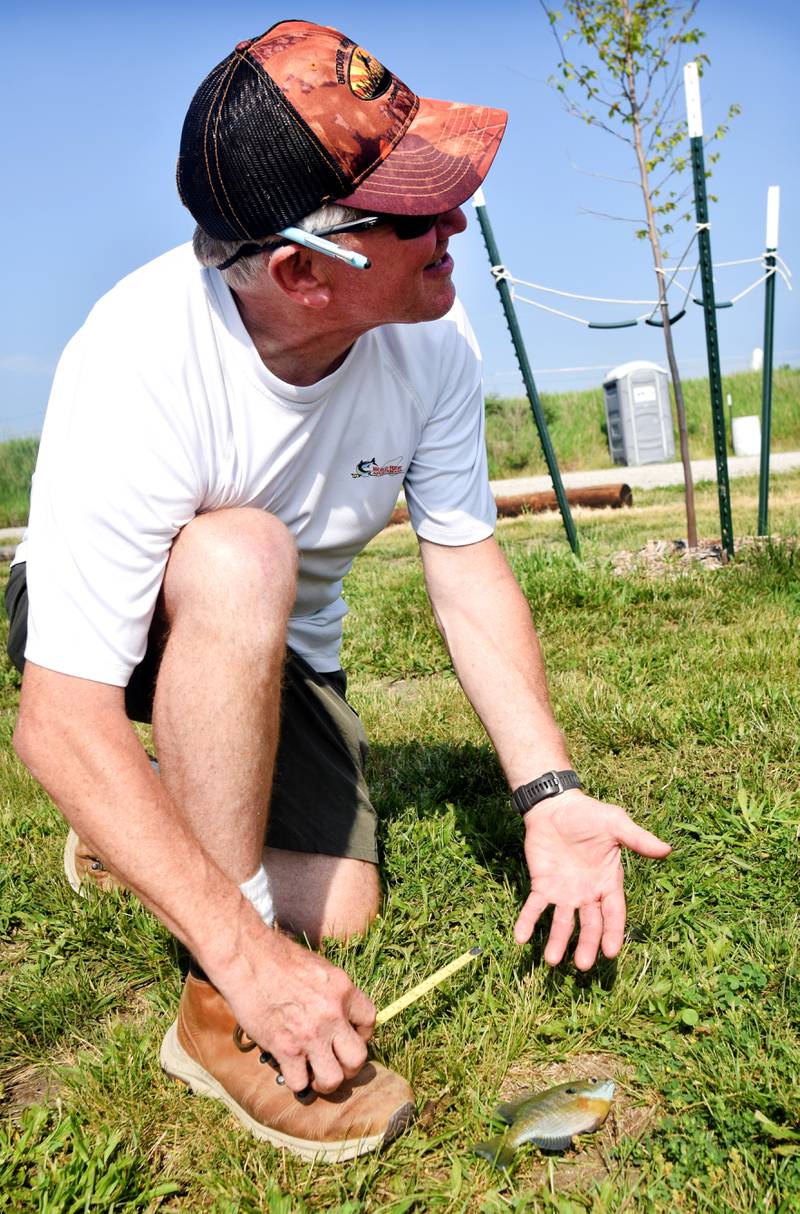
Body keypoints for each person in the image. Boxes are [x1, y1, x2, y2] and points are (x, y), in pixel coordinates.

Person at [6, 19, 671, 1162]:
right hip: (130, 621)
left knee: (344, 906)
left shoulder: (434, 335)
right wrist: (247, 955)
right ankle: (212, 1021)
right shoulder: (132, 362)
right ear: (302, 271)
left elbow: (463, 563)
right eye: (412, 214)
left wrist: (547, 792)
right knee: (241, 552)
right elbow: (58, 719)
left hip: (280, 644)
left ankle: (142, 833)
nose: (453, 224)